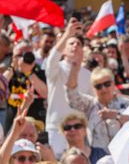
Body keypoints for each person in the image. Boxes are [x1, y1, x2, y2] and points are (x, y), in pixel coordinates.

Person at [44, 19, 92, 156]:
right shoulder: (56, 69)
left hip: (79, 130)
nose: (75, 46)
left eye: (78, 44)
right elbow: (52, 58)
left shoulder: (88, 75)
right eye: (71, 43)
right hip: (56, 128)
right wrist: (67, 34)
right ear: (64, 50)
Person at [66, 67, 129, 153]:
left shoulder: (128, 102)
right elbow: (72, 96)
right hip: (99, 157)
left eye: (107, 84)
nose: (103, 89)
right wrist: (74, 67)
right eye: (98, 86)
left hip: (125, 152)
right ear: (93, 89)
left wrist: (117, 115)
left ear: (113, 83)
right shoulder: (89, 104)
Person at [4, 40, 48, 132]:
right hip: (13, 123)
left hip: (35, 125)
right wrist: (12, 67)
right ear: (13, 57)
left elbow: (45, 93)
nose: (23, 58)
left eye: (27, 54)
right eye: (20, 55)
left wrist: (29, 72)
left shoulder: (39, 72)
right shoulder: (11, 72)